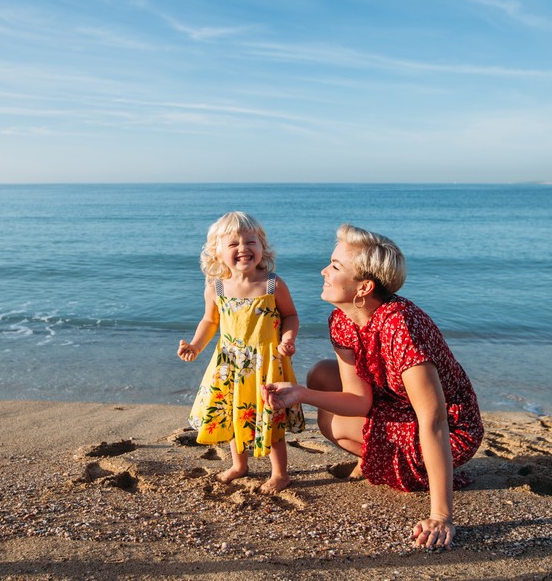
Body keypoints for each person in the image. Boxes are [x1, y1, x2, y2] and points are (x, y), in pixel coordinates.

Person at [263, 224, 483, 549]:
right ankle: (377, 459)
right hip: (394, 406)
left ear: (363, 286)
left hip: (450, 430)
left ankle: (397, 468)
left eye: (335, 266)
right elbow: (359, 400)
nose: (323, 270)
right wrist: (302, 395)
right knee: (321, 374)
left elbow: (434, 419)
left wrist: (441, 515)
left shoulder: (401, 327)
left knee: (330, 422)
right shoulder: (342, 318)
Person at [178, 211, 305, 493]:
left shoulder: (273, 284)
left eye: (251, 241)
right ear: (217, 252)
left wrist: (288, 339)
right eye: (233, 244)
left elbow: (291, 316)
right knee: (234, 416)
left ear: (263, 248)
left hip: (266, 363)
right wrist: (196, 346)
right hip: (230, 364)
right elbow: (210, 321)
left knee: (269, 416)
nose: (243, 249)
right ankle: (239, 465)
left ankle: (280, 472)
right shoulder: (217, 287)